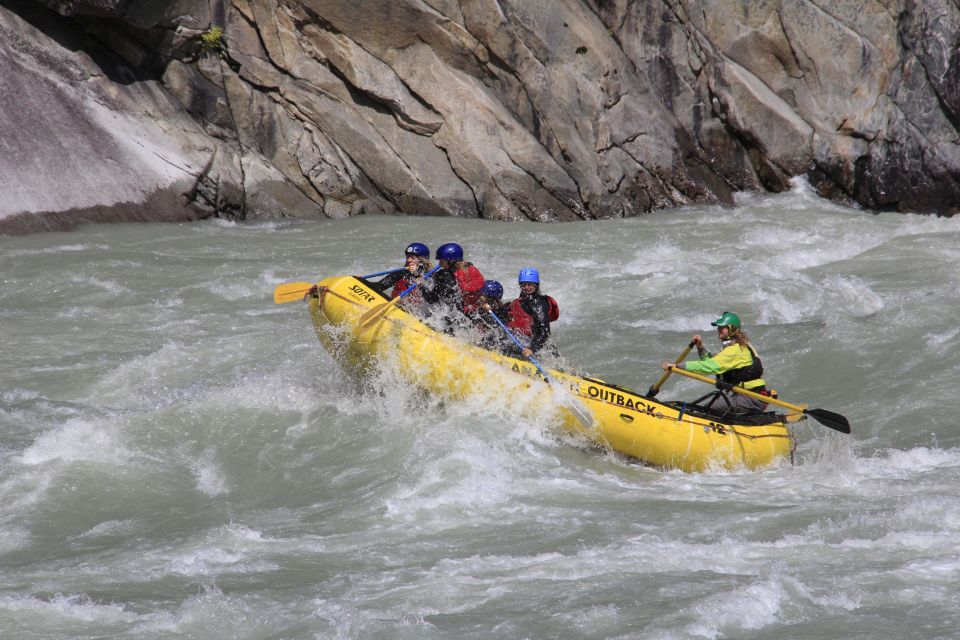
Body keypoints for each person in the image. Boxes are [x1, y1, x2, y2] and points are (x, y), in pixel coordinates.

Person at [661, 311, 768, 413]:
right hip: (743, 395)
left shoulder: (736, 349)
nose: (718, 329)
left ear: (731, 328)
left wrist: (677, 366)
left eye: (722, 327)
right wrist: (700, 348)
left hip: (753, 398)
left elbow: (709, 367)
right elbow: (712, 363)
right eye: (718, 327)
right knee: (709, 406)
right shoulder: (734, 347)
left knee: (710, 408)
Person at [421, 242, 485, 318]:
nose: (440, 264)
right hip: (474, 313)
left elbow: (431, 299)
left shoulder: (444, 275)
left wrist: (421, 285)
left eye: (442, 260)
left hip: (456, 317)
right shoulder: (471, 268)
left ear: (451, 260)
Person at [506, 268, 559, 358]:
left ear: (536, 285)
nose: (526, 287)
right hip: (525, 340)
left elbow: (545, 332)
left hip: (538, 346)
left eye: (530, 284)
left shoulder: (539, 304)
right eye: (523, 285)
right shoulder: (524, 298)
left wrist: (532, 349)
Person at [471, 280, 513, 352]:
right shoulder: (479, 307)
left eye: (482, 297)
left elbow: (499, 328)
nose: (480, 298)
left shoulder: (500, 311)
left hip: (501, 336)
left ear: (493, 300)